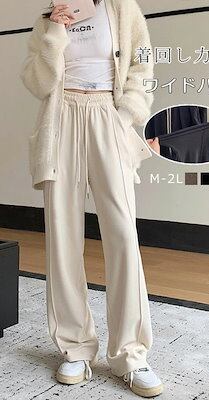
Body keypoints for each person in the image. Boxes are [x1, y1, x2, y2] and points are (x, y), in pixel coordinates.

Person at [20, 0, 163, 397]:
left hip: (107, 115)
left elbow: (143, 64)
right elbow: (36, 82)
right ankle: (75, 346)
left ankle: (130, 353)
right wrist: (54, 31)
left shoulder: (124, 9)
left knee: (123, 236)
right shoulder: (49, 19)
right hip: (61, 118)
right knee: (63, 237)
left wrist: (125, 115)